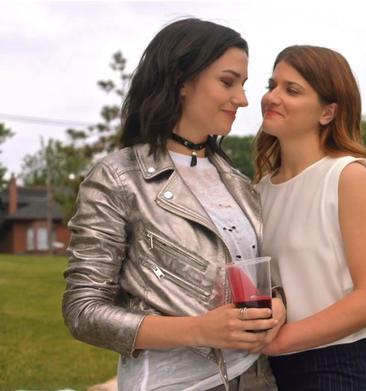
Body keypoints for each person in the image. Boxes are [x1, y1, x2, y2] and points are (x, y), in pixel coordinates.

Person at [62, 18, 283, 390]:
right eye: (228, 82)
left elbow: (260, 278)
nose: (243, 99)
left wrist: (278, 307)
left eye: (243, 85)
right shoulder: (118, 177)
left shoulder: (240, 184)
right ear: (182, 80)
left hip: (258, 379)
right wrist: (198, 329)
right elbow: (83, 311)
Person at [254, 45, 366, 390]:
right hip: (274, 371)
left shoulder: (348, 175)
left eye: (292, 90)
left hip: (341, 369)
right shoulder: (257, 190)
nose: (272, 97)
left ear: (328, 112)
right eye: (271, 85)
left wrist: (279, 342)